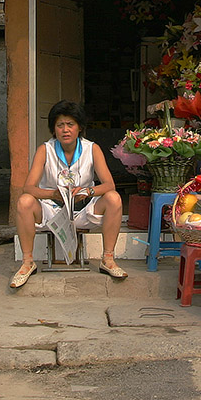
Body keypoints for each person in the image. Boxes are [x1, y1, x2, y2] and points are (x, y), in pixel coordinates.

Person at [10, 100, 128, 288]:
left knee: (114, 198)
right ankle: (27, 262)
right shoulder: (45, 150)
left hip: (83, 210)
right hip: (53, 211)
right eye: (60, 125)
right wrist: (52, 194)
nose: (65, 130)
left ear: (79, 127)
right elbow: (29, 188)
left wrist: (88, 191)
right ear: (53, 129)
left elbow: (109, 185)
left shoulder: (92, 149)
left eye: (70, 124)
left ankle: (108, 259)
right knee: (24, 201)